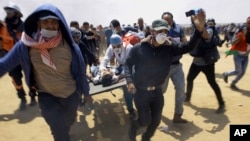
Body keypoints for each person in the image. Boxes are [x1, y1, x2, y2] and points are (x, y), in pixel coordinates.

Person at [0, 4, 91, 141]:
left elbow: (80, 73)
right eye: (45, 21)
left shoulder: (71, 46)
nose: (50, 25)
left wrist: (86, 92)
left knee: (69, 121)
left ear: (59, 23)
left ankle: (64, 129)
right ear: (38, 23)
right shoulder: (26, 45)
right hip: (47, 96)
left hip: (71, 95)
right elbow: (4, 64)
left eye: (54, 21)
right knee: (58, 131)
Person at [124, 10, 206, 141]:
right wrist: (129, 81)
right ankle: (133, 127)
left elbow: (188, 46)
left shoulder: (170, 46)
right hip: (141, 92)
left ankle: (146, 138)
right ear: (152, 31)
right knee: (144, 121)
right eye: (159, 31)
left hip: (157, 91)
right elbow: (127, 64)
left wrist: (198, 30)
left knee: (156, 121)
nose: (163, 34)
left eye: (165, 31)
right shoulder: (139, 48)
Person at [0, 1, 37, 110]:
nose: (8, 14)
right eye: (7, 12)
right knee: (15, 78)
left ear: (17, 14)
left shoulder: (26, 27)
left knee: (31, 77)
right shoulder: (2, 27)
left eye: (10, 12)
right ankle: (22, 98)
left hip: (26, 56)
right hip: (11, 57)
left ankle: (33, 95)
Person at [185, 17, 226, 114]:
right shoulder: (195, 30)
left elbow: (205, 36)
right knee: (189, 79)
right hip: (196, 62)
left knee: (212, 83)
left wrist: (200, 27)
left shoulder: (209, 30)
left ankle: (221, 103)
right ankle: (187, 97)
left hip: (207, 63)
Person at [100, 33, 136, 119]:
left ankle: (135, 109)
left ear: (121, 43)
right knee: (127, 91)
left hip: (131, 68)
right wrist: (102, 68)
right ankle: (131, 109)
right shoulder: (111, 47)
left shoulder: (129, 48)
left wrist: (119, 77)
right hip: (120, 67)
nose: (116, 48)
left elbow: (128, 66)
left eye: (118, 46)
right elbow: (106, 59)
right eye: (114, 46)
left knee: (130, 90)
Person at [161, 11, 188, 123]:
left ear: (172, 20)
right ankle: (155, 112)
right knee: (159, 91)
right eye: (164, 20)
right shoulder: (158, 30)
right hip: (163, 67)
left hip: (177, 65)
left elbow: (185, 43)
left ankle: (178, 115)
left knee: (181, 89)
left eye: (169, 20)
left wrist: (176, 44)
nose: (167, 22)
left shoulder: (179, 29)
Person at [223, 17, 250, 90]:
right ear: (246, 23)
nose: (249, 25)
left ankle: (233, 83)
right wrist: (241, 37)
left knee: (243, 72)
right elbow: (233, 42)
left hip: (246, 56)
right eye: (248, 23)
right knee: (238, 71)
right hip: (238, 55)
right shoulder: (240, 31)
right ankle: (226, 74)